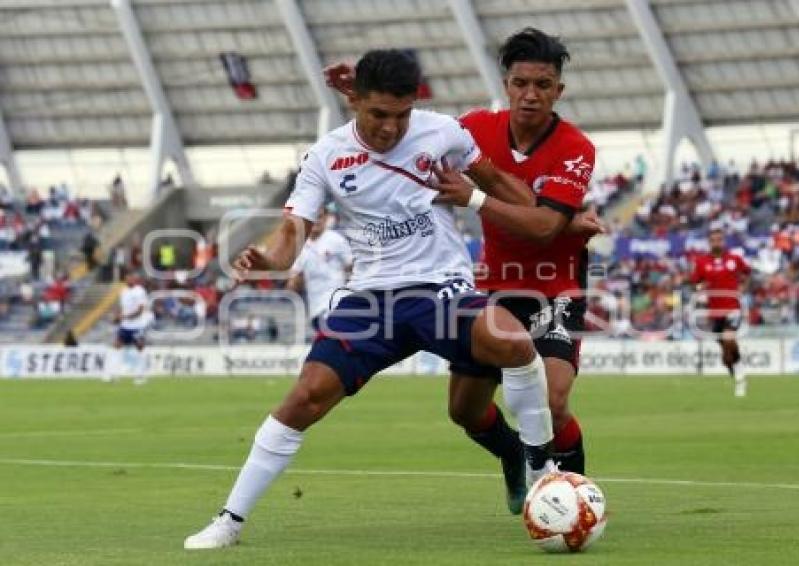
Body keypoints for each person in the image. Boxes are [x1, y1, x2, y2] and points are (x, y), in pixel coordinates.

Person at [184, 49, 559, 550]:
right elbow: (294, 228)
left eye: (401, 115)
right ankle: (228, 521)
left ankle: (542, 469)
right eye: (379, 114)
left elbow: (519, 198)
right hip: (372, 298)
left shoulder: (443, 132)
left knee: (512, 343)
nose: (390, 128)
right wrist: (272, 260)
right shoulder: (326, 155)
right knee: (305, 396)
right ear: (354, 101)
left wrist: (471, 193)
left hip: (439, 286)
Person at [325, 28, 603, 514]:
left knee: (553, 401)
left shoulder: (576, 147)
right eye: (521, 83)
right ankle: (513, 454)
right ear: (506, 84)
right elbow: (411, 133)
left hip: (554, 289)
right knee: (464, 411)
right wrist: (362, 97)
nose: (530, 95)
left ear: (559, 89)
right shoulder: (473, 127)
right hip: (492, 287)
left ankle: (576, 497)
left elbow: (542, 229)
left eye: (543, 84)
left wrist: (475, 197)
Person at [690, 227, 751, 397]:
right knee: (726, 356)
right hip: (714, 312)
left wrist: (743, 287)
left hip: (732, 307)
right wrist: (699, 288)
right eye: (713, 240)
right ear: (709, 242)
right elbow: (695, 283)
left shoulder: (734, 259)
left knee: (728, 338)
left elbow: (747, 273)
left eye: (719, 239)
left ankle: (740, 378)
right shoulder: (702, 262)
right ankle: (735, 370)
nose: (717, 242)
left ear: (723, 241)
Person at [285, 207, 353, 331]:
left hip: (337, 305)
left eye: (320, 216)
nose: (316, 220)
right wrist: (297, 278)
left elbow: (353, 267)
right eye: (313, 216)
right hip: (316, 310)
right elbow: (292, 287)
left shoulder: (336, 240)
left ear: (326, 218)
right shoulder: (300, 246)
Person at [111, 272, 150, 384]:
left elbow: (140, 310)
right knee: (116, 347)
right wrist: (117, 316)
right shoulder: (123, 291)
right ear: (125, 279)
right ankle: (114, 375)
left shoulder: (140, 291)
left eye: (132, 277)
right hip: (125, 326)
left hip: (137, 326)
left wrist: (124, 317)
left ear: (135, 279)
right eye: (128, 278)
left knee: (140, 349)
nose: (130, 280)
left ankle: (140, 376)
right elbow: (122, 307)